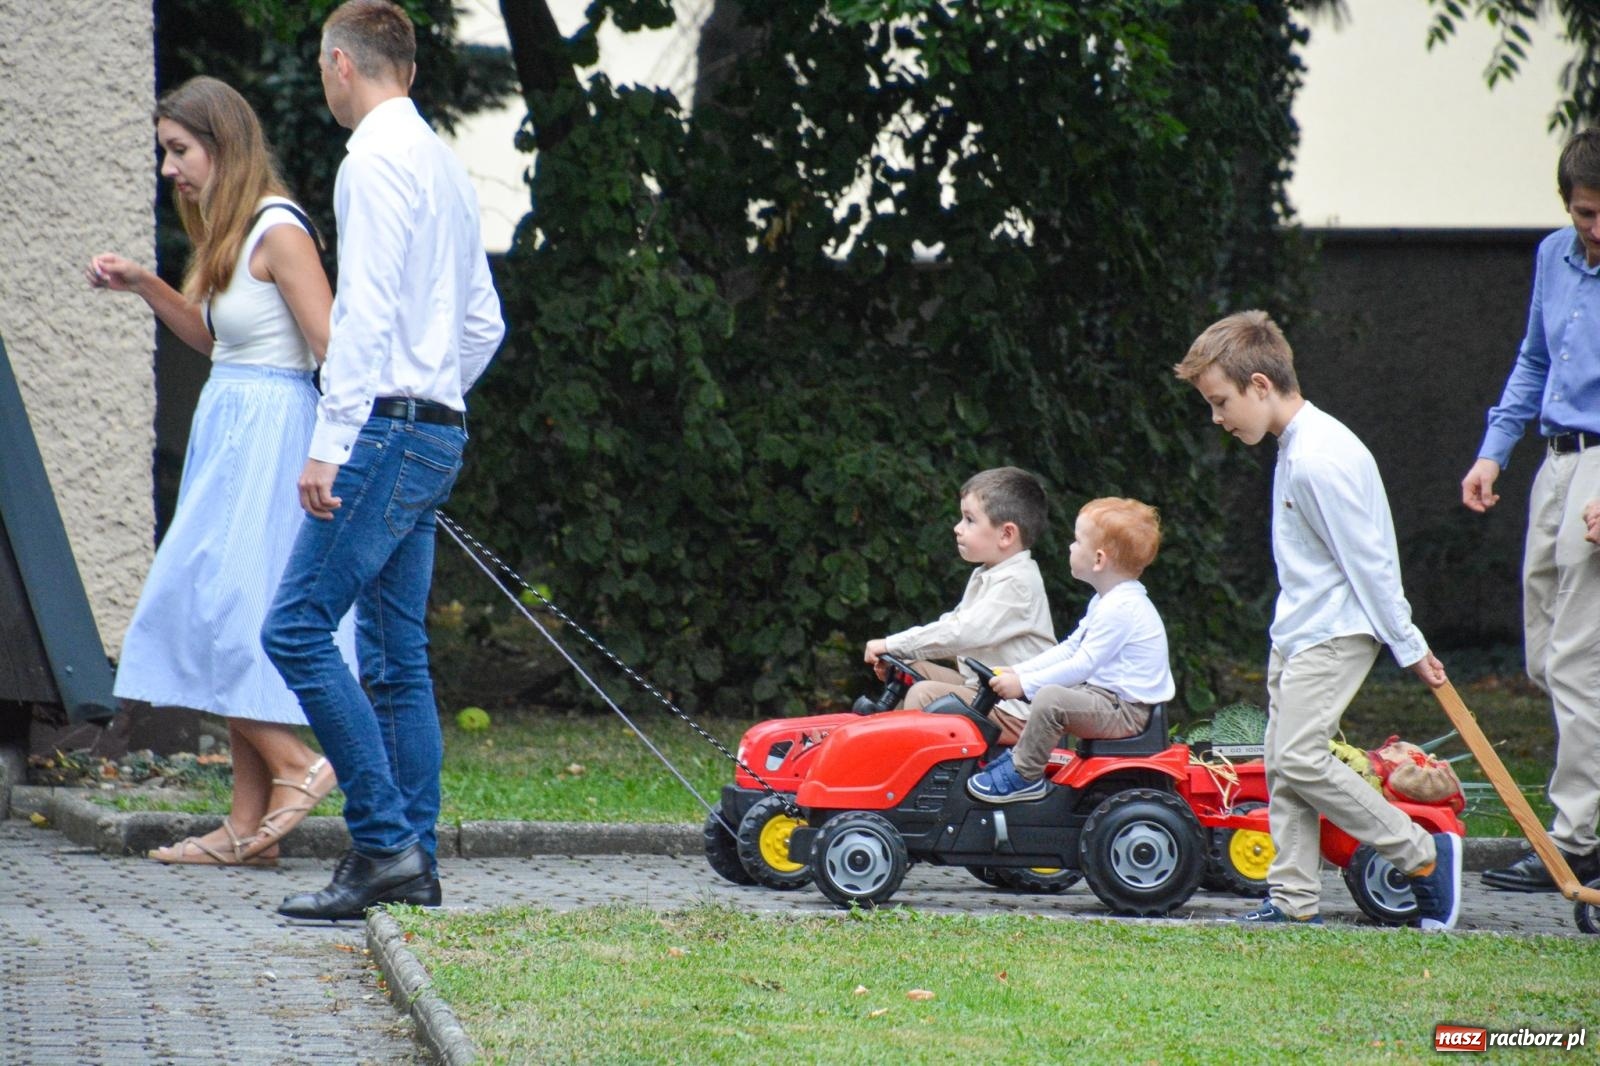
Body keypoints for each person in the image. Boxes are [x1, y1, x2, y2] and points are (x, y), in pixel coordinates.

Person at [263, 0, 505, 922]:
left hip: (385, 431)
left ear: (339, 63)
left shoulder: (371, 159)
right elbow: (485, 320)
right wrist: (435, 391)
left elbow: (359, 317)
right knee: (396, 658)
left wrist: (337, 439)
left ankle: (383, 847)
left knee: (293, 629)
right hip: (433, 427)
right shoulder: (441, 163)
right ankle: (418, 863)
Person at [86, 76, 350, 867]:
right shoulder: (230, 231)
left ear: (223, 146)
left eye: (179, 150)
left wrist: (327, 452)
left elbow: (331, 349)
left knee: (217, 614)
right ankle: (246, 831)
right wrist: (143, 284)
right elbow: (213, 339)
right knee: (226, 617)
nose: (169, 168)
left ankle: (299, 764)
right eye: (164, 152)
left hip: (273, 437)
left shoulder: (280, 230)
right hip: (232, 430)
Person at [1175, 310, 1462, 930]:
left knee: (1302, 757)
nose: (1217, 418)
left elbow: (1371, 561)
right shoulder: (1299, 446)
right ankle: (1292, 898)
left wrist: (1408, 644)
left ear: (1259, 384)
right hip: (1303, 630)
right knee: (1282, 764)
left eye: (1221, 401)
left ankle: (1421, 852)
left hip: (1335, 632)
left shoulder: (1319, 458)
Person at [1461, 128, 1600, 893]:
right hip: (1553, 457)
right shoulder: (1554, 258)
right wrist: (1493, 451)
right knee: (1545, 658)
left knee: (1578, 660)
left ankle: (1573, 841)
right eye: (1585, 213)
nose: (1597, 229)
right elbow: (1534, 360)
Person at [967, 497, 1174, 803]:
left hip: (1126, 711)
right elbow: (1070, 649)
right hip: (1108, 699)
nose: (1070, 547)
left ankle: (1024, 775)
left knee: (1052, 699)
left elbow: (1083, 664)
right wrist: (1018, 672)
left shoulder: (1122, 608)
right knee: (1052, 691)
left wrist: (1024, 685)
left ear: (1099, 560)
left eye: (1077, 541)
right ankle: (1018, 761)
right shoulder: (1106, 601)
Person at [862, 467, 1055, 741]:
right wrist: (898, 653)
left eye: (969, 520)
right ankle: (876, 741)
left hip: (1019, 712)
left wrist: (891, 643)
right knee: (911, 670)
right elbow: (952, 623)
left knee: (923, 693)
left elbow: (962, 633)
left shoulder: (1017, 584)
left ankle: (904, 772)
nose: (957, 528)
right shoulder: (987, 573)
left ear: (1006, 535)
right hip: (987, 692)